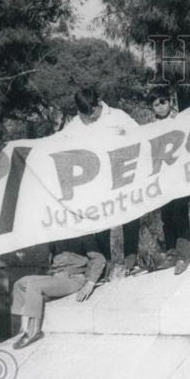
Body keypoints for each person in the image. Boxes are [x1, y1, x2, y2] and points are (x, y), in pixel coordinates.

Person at [58, 87, 142, 275]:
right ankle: (105, 267)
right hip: (98, 182)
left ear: (99, 103)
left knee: (131, 217)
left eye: (93, 111)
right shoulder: (76, 123)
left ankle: (131, 263)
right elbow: (58, 143)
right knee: (102, 222)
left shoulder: (118, 116)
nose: (91, 116)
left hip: (123, 176)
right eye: (86, 113)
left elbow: (141, 134)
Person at [10, 233, 105, 349]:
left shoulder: (83, 233)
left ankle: (34, 332)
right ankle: (17, 327)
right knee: (20, 283)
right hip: (56, 277)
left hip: (74, 279)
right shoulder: (55, 232)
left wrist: (90, 284)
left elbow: (99, 259)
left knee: (34, 286)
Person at [147, 89, 190, 275]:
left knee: (179, 213)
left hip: (180, 175)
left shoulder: (180, 119)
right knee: (166, 216)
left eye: (163, 102)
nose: (161, 107)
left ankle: (184, 255)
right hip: (162, 177)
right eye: (156, 105)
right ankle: (171, 253)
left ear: (170, 101)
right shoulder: (150, 127)